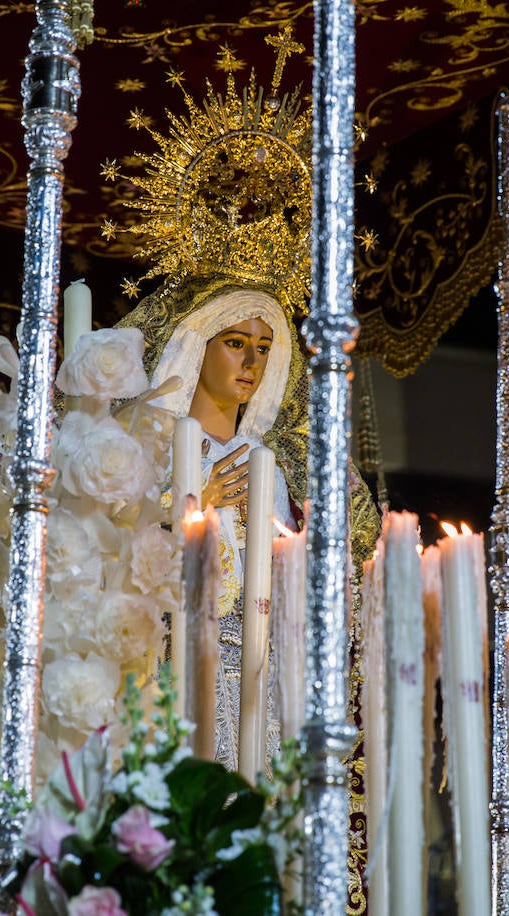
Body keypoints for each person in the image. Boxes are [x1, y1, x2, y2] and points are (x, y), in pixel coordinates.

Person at [117, 276, 380, 768]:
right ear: (198, 345)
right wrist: (189, 508)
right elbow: (111, 553)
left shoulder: (268, 468)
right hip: (171, 664)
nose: (251, 363)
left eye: (263, 347)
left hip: (261, 672)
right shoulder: (147, 450)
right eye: (235, 343)